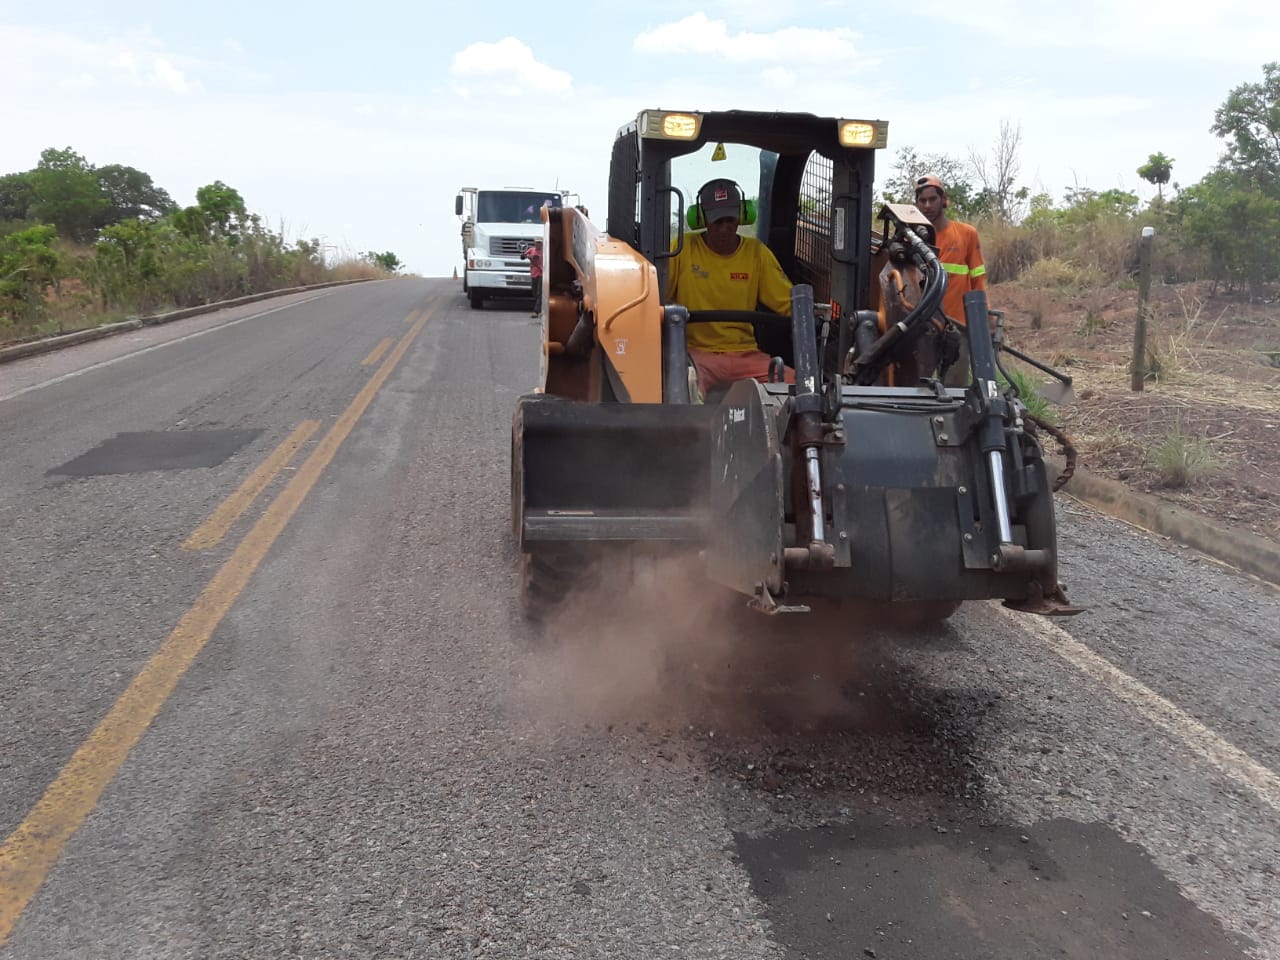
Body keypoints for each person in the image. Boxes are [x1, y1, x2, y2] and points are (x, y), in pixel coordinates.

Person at [664, 178, 795, 394]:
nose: (724, 228)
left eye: (730, 220)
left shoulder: (756, 252)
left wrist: (811, 312)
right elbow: (659, 297)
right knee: (682, 388)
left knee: (794, 387)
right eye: (717, 221)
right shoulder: (682, 248)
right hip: (696, 354)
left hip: (745, 354)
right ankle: (690, 427)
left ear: (742, 217)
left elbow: (786, 301)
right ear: (701, 218)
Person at [913, 174, 989, 385]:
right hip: (923, 328)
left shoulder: (966, 234)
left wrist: (985, 322)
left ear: (943, 199)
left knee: (955, 391)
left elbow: (978, 280)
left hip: (957, 328)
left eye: (932, 199)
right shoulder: (909, 238)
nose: (927, 205)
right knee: (920, 390)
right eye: (922, 201)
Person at [521, 239, 543, 317]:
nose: (538, 245)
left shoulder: (544, 252)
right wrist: (527, 256)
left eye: (540, 243)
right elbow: (522, 257)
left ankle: (536, 311)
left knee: (539, 292)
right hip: (534, 273)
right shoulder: (531, 250)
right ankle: (540, 308)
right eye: (537, 243)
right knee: (534, 292)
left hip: (541, 273)